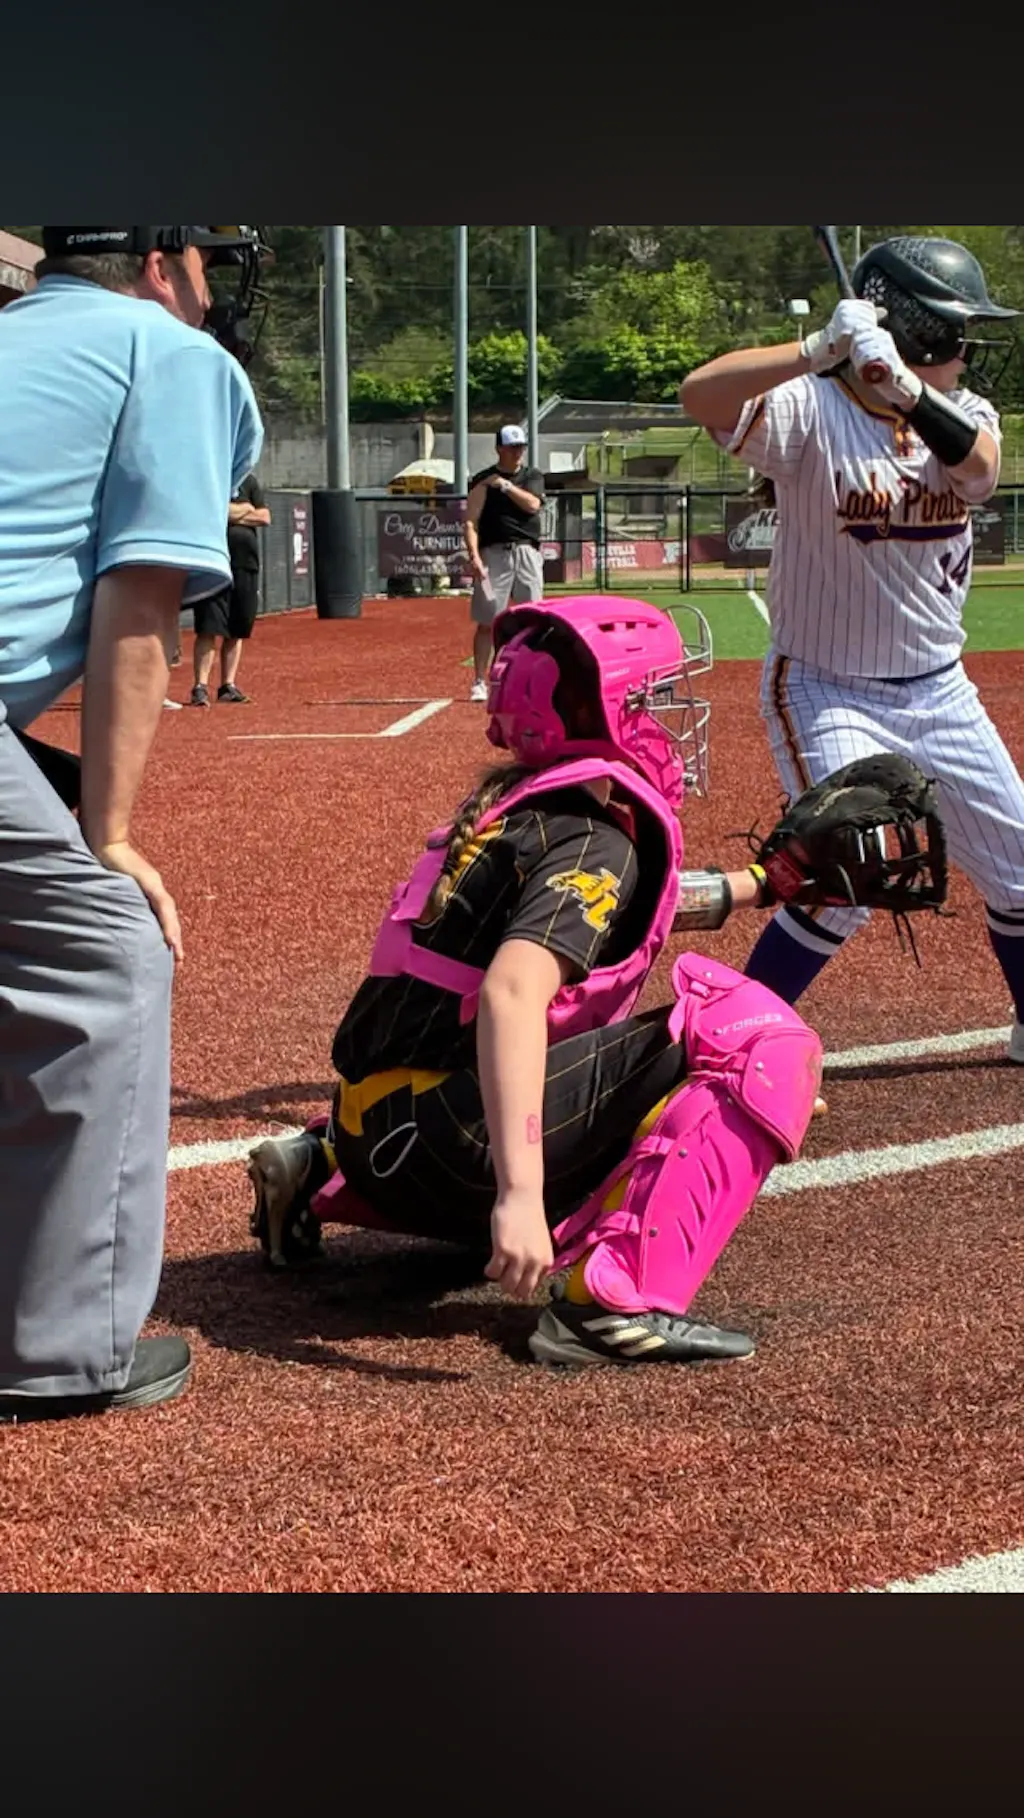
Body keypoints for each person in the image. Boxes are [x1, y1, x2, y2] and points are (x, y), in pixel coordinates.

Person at [247, 596, 827, 1368]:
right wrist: (520, 1196)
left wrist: (763, 884)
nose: (665, 716)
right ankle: (613, 1303)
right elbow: (511, 992)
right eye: (651, 698)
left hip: (371, 1139)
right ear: (610, 710)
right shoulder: (593, 840)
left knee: (551, 1057)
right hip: (446, 1158)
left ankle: (314, 1165)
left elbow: (625, 913)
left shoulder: (512, 810)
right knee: (761, 1042)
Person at [0, 225, 265, 1423]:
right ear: (161, 259)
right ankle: (63, 1351)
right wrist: (105, 833)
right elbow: (143, 593)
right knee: (101, 957)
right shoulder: (169, 353)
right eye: (205, 254)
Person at [681, 235, 1024, 1064]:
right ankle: (722, 1050)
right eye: (955, 332)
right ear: (915, 328)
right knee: (844, 874)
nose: (967, 349)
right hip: (830, 687)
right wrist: (816, 349)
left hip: (941, 690)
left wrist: (904, 387)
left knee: (1020, 868)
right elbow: (699, 395)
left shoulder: (967, 412)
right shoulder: (810, 408)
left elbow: (979, 471)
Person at [464, 426, 546, 702]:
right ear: (499, 448)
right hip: (494, 554)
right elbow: (471, 521)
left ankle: (530, 679)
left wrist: (505, 485)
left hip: (526, 552)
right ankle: (479, 681)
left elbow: (533, 505)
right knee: (488, 620)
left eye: (521, 446)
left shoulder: (532, 476)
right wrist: (474, 556)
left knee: (533, 619)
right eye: (512, 447)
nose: (517, 452)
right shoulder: (482, 480)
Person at [189, 471, 271, 706]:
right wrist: (245, 510)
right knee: (208, 626)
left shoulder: (249, 481)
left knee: (238, 627)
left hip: (246, 564)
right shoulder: (210, 476)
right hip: (215, 565)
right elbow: (211, 512)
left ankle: (228, 685)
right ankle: (200, 686)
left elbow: (265, 517)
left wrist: (231, 514)